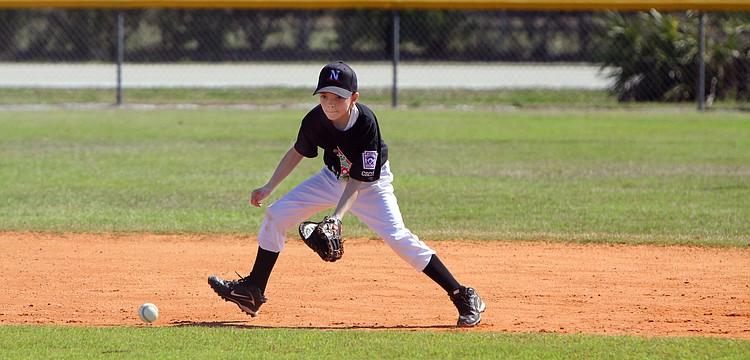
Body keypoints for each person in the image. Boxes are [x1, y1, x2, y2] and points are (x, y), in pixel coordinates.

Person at [208, 62, 486, 327]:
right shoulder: (316, 119)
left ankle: (462, 294)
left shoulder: (365, 122)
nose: (330, 103)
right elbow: (298, 152)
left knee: (399, 237)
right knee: (276, 215)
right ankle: (253, 290)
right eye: (325, 96)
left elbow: (358, 180)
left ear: (354, 97)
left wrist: (336, 218)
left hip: (369, 186)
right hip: (331, 177)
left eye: (338, 97)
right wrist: (270, 186)